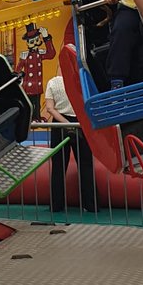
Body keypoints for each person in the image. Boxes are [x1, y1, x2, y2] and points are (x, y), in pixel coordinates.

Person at [43, 72, 97, 213]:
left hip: (59, 125)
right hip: (81, 123)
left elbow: (49, 108)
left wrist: (65, 123)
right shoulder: (83, 80)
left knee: (58, 167)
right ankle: (91, 205)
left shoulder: (53, 82)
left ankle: (56, 205)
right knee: (86, 165)